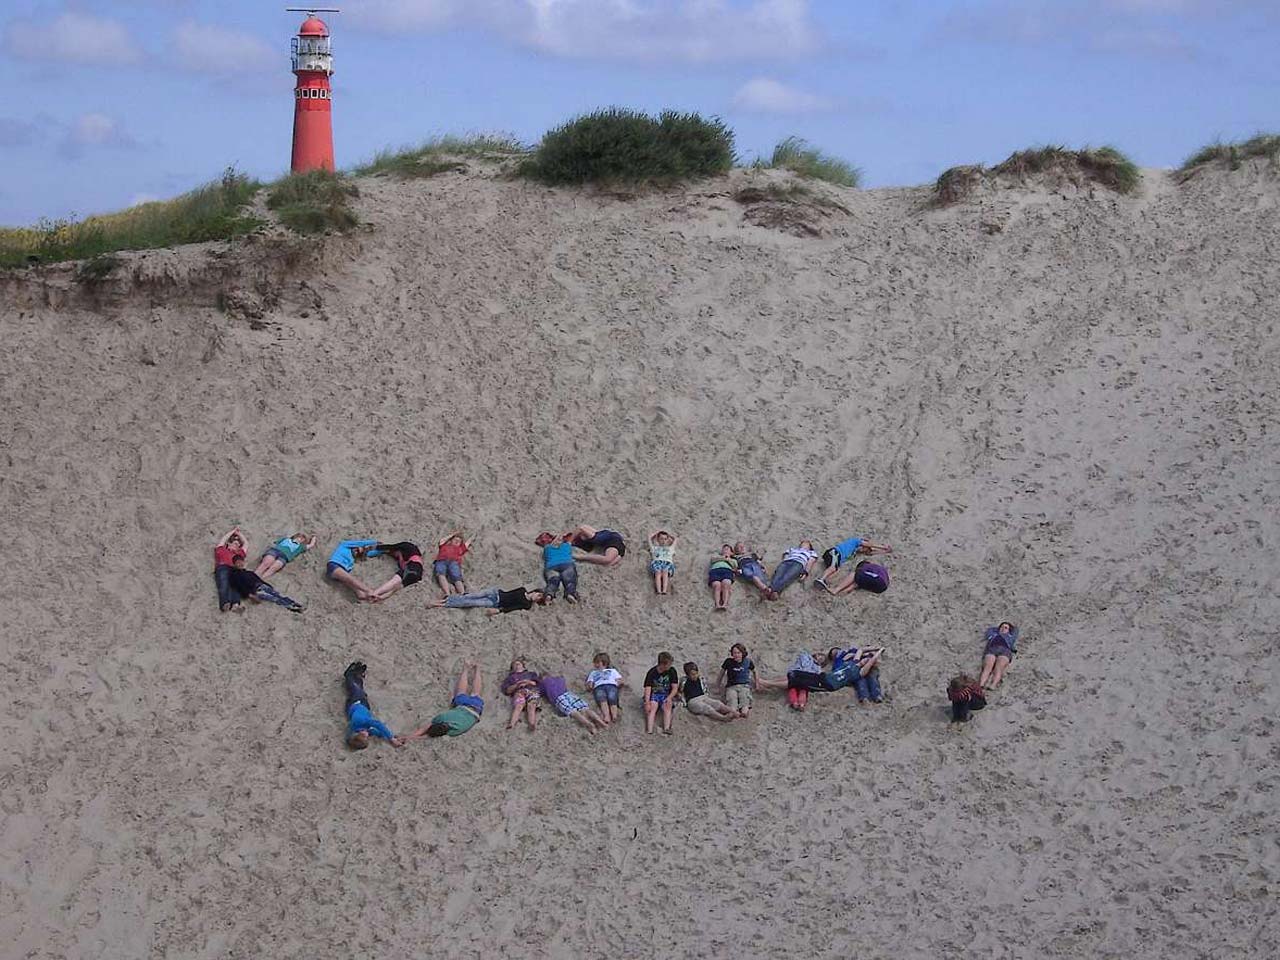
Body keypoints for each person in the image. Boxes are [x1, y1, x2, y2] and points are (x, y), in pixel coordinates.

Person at [213, 527, 304, 613]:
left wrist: (239, 534)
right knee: (224, 583)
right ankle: (225, 602)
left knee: (275, 594)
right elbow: (223, 540)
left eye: (238, 544)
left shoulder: (240, 556)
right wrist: (233, 531)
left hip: (254, 582)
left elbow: (246, 544)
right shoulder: (221, 550)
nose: (237, 545)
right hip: (224, 567)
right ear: (228, 544)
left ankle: (236, 604)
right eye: (235, 543)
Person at [407, 663, 484, 739]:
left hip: (475, 710)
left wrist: (408, 738)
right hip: (464, 707)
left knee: (475, 693)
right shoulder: (443, 718)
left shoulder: (454, 731)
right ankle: (469, 669)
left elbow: (425, 734)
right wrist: (408, 737)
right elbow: (423, 730)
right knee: (462, 692)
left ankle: (475, 669)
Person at [342, 661, 405, 749]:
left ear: (358, 733)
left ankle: (349, 675)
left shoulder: (360, 721)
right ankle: (358, 676)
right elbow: (377, 732)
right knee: (362, 691)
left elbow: (378, 724)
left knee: (356, 690)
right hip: (363, 706)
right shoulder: (365, 730)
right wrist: (393, 736)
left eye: (365, 736)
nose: (368, 735)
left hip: (355, 703)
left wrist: (391, 739)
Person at [815, 535, 892, 591]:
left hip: (835, 557)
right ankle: (821, 579)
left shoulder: (854, 553)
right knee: (833, 568)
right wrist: (883, 547)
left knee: (834, 569)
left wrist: (884, 552)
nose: (864, 550)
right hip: (835, 553)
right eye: (865, 548)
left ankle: (823, 579)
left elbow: (870, 553)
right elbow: (869, 545)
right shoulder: (855, 541)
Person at [758, 650, 829, 711]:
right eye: (820, 656)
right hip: (797, 673)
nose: (820, 659)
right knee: (792, 687)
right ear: (817, 654)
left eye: (822, 659)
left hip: (805, 678)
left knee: (803, 690)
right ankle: (794, 702)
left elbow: (817, 675)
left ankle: (801, 704)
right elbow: (803, 663)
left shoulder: (818, 667)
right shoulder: (807, 656)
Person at [540, 673, 608, 733]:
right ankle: (601, 722)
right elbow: (562, 679)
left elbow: (541, 692)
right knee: (585, 709)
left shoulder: (543, 683)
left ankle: (589, 724)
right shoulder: (559, 679)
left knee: (572, 712)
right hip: (569, 694)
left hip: (559, 698)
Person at [326, 537, 383, 602]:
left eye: (358, 553)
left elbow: (370, 554)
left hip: (341, 571)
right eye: (357, 549)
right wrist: (374, 542)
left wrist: (383, 550)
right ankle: (369, 591)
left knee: (351, 583)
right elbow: (361, 543)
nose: (356, 552)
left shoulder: (352, 559)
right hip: (334, 565)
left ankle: (362, 594)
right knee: (351, 579)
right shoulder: (344, 545)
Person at [431, 586, 549, 614]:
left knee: (470, 602)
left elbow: (512, 608)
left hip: (495, 602)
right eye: (538, 595)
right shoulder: (522, 589)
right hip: (495, 592)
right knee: (470, 596)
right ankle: (446, 600)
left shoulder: (527, 604)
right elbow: (508, 593)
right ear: (535, 592)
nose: (536, 598)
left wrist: (498, 611)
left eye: (539, 599)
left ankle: (443, 604)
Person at [253, 531, 318, 580]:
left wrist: (314, 537)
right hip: (275, 551)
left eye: (302, 539)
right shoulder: (286, 539)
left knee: (273, 568)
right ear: (295, 536)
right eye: (299, 537)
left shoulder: (300, 547)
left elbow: (311, 545)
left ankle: (260, 579)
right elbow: (274, 543)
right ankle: (253, 576)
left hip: (284, 557)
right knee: (266, 563)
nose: (300, 539)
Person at [536, 532, 580, 603]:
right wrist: (562, 536)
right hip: (566, 563)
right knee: (570, 581)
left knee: (553, 582)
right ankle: (570, 593)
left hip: (551, 566)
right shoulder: (566, 545)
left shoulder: (547, 548)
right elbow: (572, 537)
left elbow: (542, 542)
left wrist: (555, 537)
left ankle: (549, 595)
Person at [643, 652, 680, 734]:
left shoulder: (672, 671)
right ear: (663, 664)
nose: (670, 666)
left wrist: (669, 697)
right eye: (669, 664)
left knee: (668, 705)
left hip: (666, 694)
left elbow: (675, 688)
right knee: (652, 708)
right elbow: (648, 688)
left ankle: (666, 728)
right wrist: (647, 702)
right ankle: (649, 730)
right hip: (654, 694)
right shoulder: (652, 672)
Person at [717, 643, 757, 718]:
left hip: (744, 686)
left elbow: (754, 671)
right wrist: (718, 685)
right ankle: (734, 713)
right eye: (734, 653)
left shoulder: (748, 661)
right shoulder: (728, 662)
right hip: (731, 687)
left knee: (745, 702)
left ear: (742, 653)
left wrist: (757, 683)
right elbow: (721, 673)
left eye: (738, 653)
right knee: (732, 703)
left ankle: (744, 712)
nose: (736, 655)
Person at [502, 658, 541, 731]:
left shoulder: (530, 674)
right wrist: (516, 685)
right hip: (519, 692)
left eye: (518, 664)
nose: (516, 666)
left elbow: (537, 683)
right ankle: (511, 724)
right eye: (514, 665)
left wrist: (528, 682)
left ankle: (531, 724)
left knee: (531, 705)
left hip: (531, 690)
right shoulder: (510, 678)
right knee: (518, 706)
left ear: (523, 666)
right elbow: (507, 690)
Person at [586, 652, 624, 724]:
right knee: (602, 700)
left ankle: (614, 715)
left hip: (611, 685)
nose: (595, 664)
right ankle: (607, 716)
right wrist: (590, 686)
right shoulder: (593, 673)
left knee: (612, 698)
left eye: (597, 662)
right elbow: (590, 682)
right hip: (599, 687)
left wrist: (619, 683)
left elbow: (619, 679)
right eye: (595, 663)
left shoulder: (612, 671)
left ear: (604, 663)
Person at [978, 622, 1019, 689]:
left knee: (998, 668)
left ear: (1009, 630)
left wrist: (1010, 627)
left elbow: (1016, 630)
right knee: (987, 667)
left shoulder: (1010, 637)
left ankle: (993, 685)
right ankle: (981, 684)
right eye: (1001, 627)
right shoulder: (993, 634)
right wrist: (998, 629)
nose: (1003, 629)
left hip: (1005, 651)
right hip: (992, 649)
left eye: (1006, 628)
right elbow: (990, 629)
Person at [432, 530, 473, 598]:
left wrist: (473, 536)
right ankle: (447, 593)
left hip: (454, 562)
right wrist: (452, 534)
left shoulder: (460, 548)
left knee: (456, 577)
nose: (457, 541)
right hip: (441, 560)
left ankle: (462, 593)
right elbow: (441, 540)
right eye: (455, 540)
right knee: (440, 574)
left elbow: (468, 543)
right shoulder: (445, 545)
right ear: (451, 540)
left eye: (459, 541)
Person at [708, 545, 738, 610]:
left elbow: (735, 566)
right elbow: (712, 560)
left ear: (731, 553)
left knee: (726, 584)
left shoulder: (733, 560)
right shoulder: (717, 556)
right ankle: (717, 604)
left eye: (727, 549)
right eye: (724, 549)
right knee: (716, 585)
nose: (725, 550)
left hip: (727, 570)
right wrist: (724, 558)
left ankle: (725, 604)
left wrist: (728, 559)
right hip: (715, 570)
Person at [648, 529, 678, 595]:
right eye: (661, 539)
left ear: (667, 540)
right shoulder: (654, 548)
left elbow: (675, 539)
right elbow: (649, 538)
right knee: (658, 572)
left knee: (665, 571)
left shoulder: (670, 548)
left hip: (667, 563)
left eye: (665, 539)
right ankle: (659, 591)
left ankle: (664, 590)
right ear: (658, 540)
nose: (663, 541)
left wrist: (668, 534)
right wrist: (657, 533)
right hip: (657, 563)